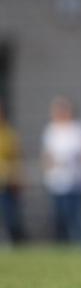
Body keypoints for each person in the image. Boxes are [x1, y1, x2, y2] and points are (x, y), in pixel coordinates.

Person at [41, 96, 81, 244]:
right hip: (57, 182)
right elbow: (47, 156)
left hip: (76, 181)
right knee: (60, 217)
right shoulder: (51, 130)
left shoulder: (80, 129)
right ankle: (62, 245)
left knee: (76, 216)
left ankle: (80, 245)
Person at [0, 103, 26, 244]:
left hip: (6, 182)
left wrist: (18, 178)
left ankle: (14, 244)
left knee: (10, 218)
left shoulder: (9, 134)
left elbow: (17, 158)